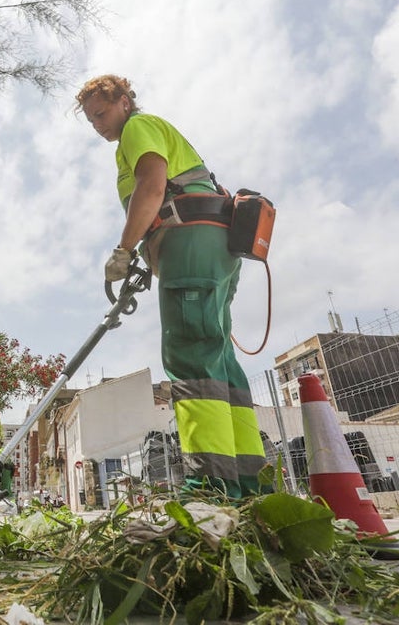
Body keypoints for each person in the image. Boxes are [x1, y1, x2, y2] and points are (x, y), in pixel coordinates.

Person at [76, 74, 268, 499]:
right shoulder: (152, 130)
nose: (98, 124)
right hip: (212, 247)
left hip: (191, 241)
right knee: (220, 361)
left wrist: (125, 250)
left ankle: (212, 483)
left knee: (190, 351)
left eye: (102, 113)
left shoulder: (138, 129)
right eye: (91, 120)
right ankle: (248, 481)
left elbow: (152, 187)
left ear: (125, 102)